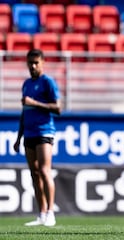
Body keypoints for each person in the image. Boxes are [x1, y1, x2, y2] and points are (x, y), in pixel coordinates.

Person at [13, 49, 61, 227]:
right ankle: (41, 213)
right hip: (29, 134)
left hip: (44, 132)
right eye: (30, 63)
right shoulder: (26, 84)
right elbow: (24, 112)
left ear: (42, 63)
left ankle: (51, 212)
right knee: (34, 174)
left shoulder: (48, 82)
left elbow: (58, 108)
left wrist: (35, 103)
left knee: (44, 170)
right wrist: (19, 137)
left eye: (36, 63)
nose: (33, 66)